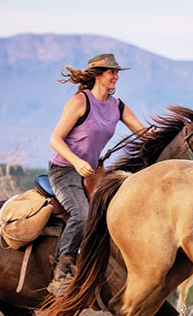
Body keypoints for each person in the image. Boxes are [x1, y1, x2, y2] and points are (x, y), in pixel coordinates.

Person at [47, 53, 147, 295]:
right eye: (112, 72)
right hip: (65, 170)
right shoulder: (81, 102)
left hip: (93, 172)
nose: (116, 76)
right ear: (98, 75)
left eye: (117, 72)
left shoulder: (117, 106)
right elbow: (55, 139)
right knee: (82, 215)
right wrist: (77, 161)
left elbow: (144, 133)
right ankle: (62, 270)